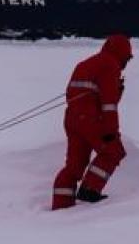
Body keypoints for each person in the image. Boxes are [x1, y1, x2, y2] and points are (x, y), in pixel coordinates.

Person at [52, 34, 132, 210]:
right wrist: (111, 131)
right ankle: (89, 191)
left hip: (72, 119)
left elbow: (76, 93)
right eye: (127, 58)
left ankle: (61, 206)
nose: (127, 63)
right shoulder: (110, 65)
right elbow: (109, 104)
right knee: (113, 152)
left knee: (74, 166)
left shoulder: (85, 63)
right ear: (122, 53)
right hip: (91, 120)